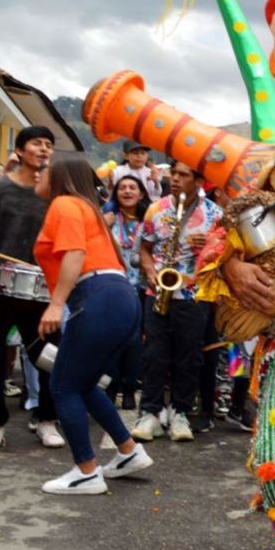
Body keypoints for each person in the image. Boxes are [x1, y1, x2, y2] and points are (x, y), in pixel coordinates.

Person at [32, 155, 153, 494]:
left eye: (44, 170)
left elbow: (74, 253)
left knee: (62, 386)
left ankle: (86, 471)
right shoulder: (86, 208)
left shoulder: (65, 203)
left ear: (58, 177)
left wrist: (56, 304)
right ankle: (128, 452)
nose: (38, 174)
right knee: (83, 384)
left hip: (96, 297)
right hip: (118, 297)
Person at [0, 125, 64, 450]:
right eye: (37, 143)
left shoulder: (57, 192)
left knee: (49, 357)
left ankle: (46, 419)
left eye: (49, 144)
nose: (44, 149)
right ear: (19, 151)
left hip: (41, 288)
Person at [130, 161, 222, 442]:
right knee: (154, 354)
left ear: (199, 180)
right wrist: (149, 271)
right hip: (158, 291)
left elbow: (226, 256)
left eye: (183, 175)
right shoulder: (156, 209)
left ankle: (181, 412)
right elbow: (143, 249)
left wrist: (209, 245)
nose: (175, 179)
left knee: (189, 357)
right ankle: (150, 412)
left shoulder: (215, 215)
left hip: (194, 295)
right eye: (174, 173)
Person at [103, 174, 151, 409]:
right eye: (122, 188)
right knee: (111, 338)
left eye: (133, 187)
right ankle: (111, 387)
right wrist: (105, 225)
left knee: (134, 340)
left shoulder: (150, 220)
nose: (127, 191)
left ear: (141, 193)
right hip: (112, 285)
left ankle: (130, 387)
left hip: (140, 287)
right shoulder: (109, 219)